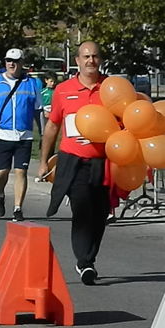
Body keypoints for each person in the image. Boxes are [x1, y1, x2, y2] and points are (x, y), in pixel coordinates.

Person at [38, 41, 109, 285]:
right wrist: (43, 160)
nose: (91, 60)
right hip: (73, 159)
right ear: (77, 61)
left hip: (103, 161)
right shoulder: (63, 90)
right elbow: (52, 126)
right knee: (82, 206)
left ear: (100, 60)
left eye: (95, 56)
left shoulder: (110, 89)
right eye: (86, 56)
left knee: (100, 213)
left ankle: (89, 256)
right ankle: (84, 261)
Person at [0, 48, 42, 222]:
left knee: (21, 172)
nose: (11, 64)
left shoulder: (31, 84)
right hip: (4, 135)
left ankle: (18, 208)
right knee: (2, 172)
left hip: (25, 136)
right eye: (8, 61)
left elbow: (38, 110)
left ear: (22, 63)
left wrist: (43, 134)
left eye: (15, 61)